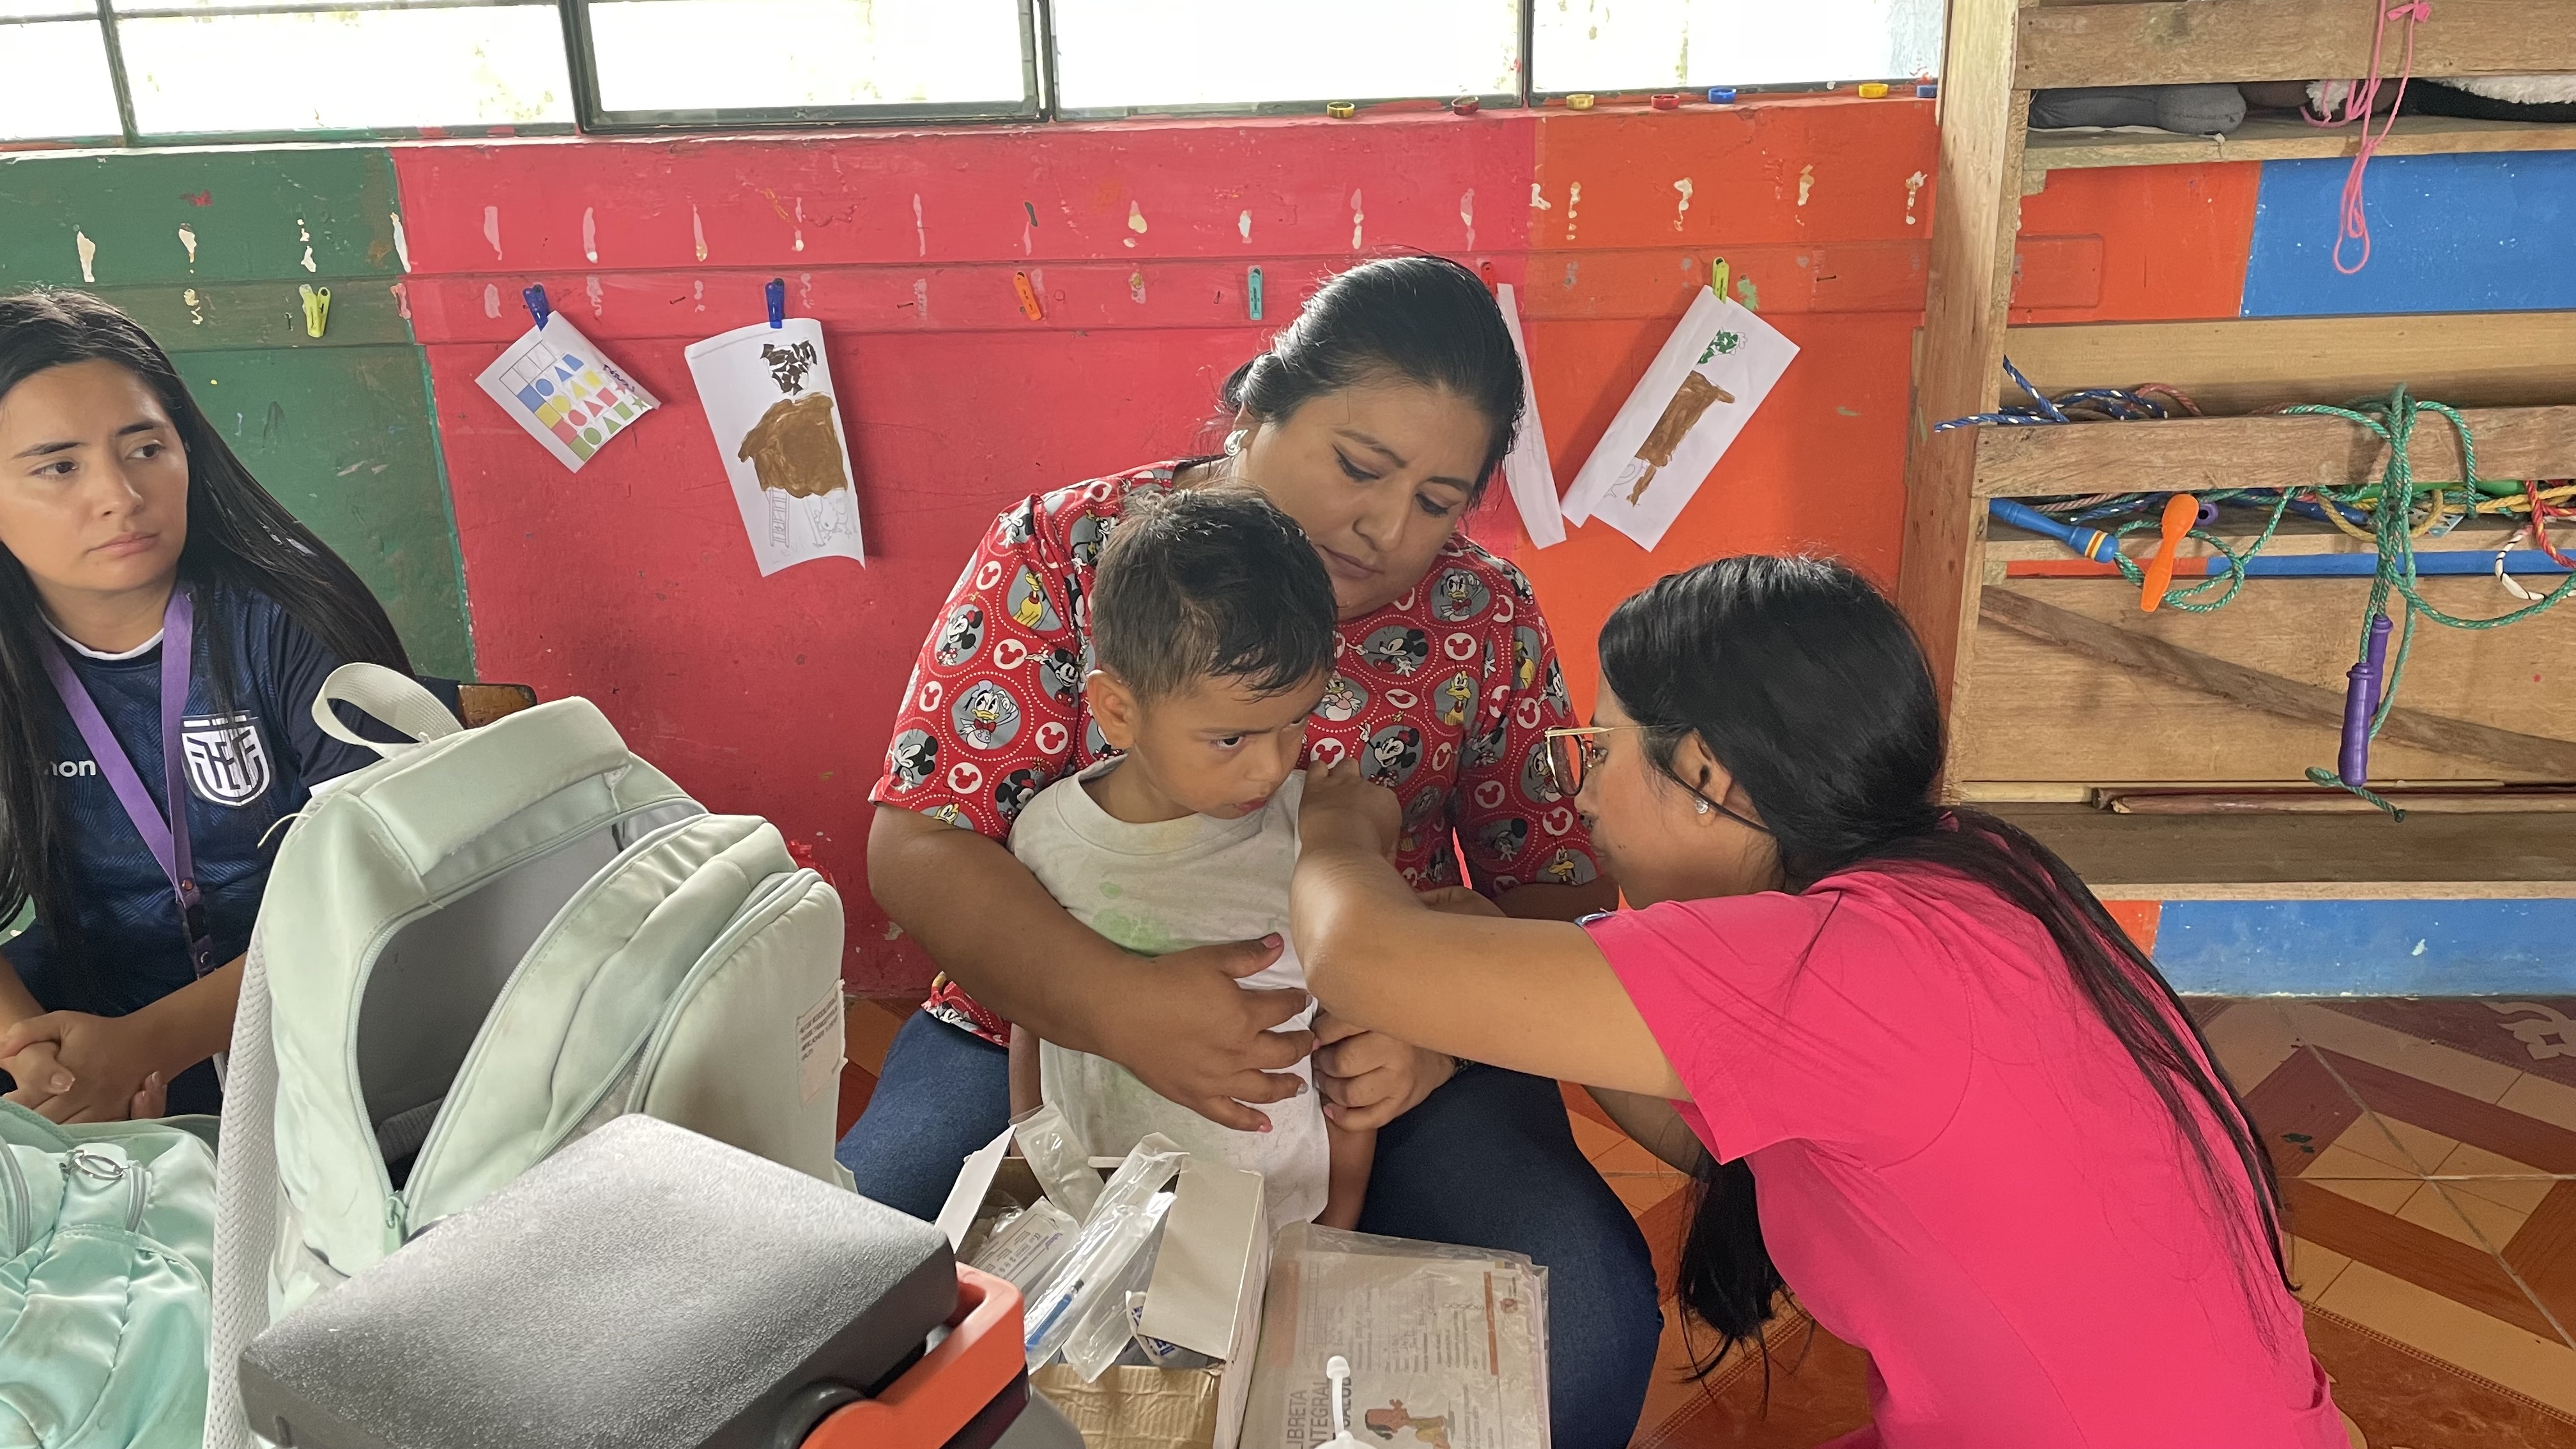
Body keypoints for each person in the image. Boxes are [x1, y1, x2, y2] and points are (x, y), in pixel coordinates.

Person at [843, 255, 1659, 1446]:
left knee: (1578, 1316)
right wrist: (1112, 1003)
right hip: (1041, 1027)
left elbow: (1560, 887)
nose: (1387, 527)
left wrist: (1433, 1026)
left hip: (1365, 1064)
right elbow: (920, 840)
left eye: (1437, 500)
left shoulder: (1479, 615)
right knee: (858, 1301)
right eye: (1359, 466)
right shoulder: (1064, 553)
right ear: (1256, 407)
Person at [1291, 555, 2349, 1448]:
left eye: (1600, 749)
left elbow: (1353, 952)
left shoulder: (1821, 964)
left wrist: (1338, 822)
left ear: (1706, 774)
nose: (1578, 790)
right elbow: (1715, 1124)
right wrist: (1483, 971)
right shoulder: (1965, 873)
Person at [0, 289, 411, 1122]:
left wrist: (144, 1048)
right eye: (59, 467)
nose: (121, 494)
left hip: (323, 1007)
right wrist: (35, 1057)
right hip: (91, 1013)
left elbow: (393, 894)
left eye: (146, 448)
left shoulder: (292, 617)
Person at [1004, 486, 1370, 1232]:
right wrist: (1031, 1154)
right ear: (1118, 711)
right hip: (1096, 1225)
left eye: (1295, 723)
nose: (1272, 767)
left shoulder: (1316, 838)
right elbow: (1033, 1010)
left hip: (1280, 1223)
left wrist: (1338, 1220)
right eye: (1231, 738)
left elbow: (1350, 1044)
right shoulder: (1049, 839)